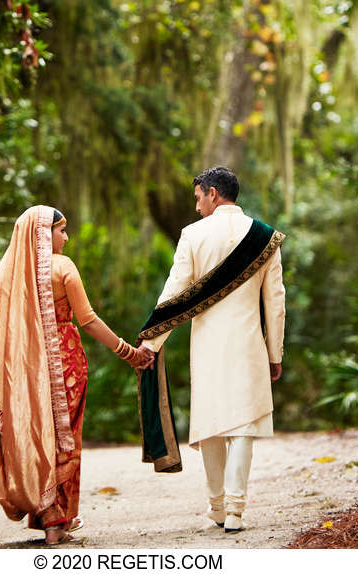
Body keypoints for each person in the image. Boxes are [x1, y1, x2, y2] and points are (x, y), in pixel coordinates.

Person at [0, 205, 153, 545]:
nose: (66, 237)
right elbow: (88, 320)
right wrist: (129, 353)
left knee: (35, 434)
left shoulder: (7, 275)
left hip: (22, 374)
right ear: (43, 234)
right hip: (65, 363)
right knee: (64, 436)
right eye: (61, 230)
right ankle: (56, 521)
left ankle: (50, 516)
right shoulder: (62, 267)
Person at [139, 166, 285, 533]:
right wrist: (275, 354)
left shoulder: (192, 235)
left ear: (213, 193)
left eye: (199, 198)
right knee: (243, 426)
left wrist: (150, 342)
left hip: (206, 347)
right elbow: (276, 303)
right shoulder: (265, 237)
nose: (197, 206)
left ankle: (218, 507)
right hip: (249, 343)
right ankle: (235, 510)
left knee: (213, 426)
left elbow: (174, 291)